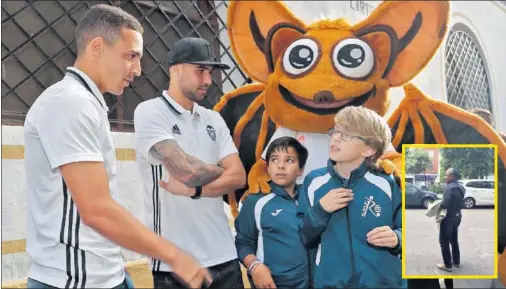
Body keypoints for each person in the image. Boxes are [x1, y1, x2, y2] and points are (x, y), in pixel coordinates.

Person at [23, 5, 211, 289]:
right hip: (75, 280)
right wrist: (174, 256)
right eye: (131, 56)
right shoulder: (69, 103)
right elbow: (96, 209)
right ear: (97, 47)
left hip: (104, 273)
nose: (137, 70)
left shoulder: (86, 102)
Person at [133, 37, 247, 288]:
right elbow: (186, 170)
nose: (208, 80)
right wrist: (220, 171)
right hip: (174, 264)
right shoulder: (149, 111)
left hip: (225, 256)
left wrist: (195, 190)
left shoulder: (213, 119)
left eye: (210, 72)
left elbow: (239, 177)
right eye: (200, 71)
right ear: (175, 69)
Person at [297, 106, 404, 288]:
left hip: (385, 283)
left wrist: (397, 238)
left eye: (346, 135)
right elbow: (304, 236)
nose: (336, 138)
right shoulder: (313, 182)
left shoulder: (387, 183)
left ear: (369, 149)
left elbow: (410, 230)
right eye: (336, 131)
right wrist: (320, 210)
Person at [235, 136, 310, 289]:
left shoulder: (311, 196)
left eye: (289, 160)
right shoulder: (254, 201)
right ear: (268, 167)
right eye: (275, 160)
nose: (280, 166)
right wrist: (255, 266)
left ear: (301, 170)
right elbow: (243, 242)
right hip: (274, 284)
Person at [437, 168, 465, 272]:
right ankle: (456, 262)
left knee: (444, 241)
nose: (446, 177)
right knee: (454, 240)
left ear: (452, 176)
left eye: (447, 175)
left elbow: (444, 204)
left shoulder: (449, 187)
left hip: (448, 218)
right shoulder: (461, 188)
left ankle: (447, 265)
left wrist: (437, 205)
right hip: (457, 217)